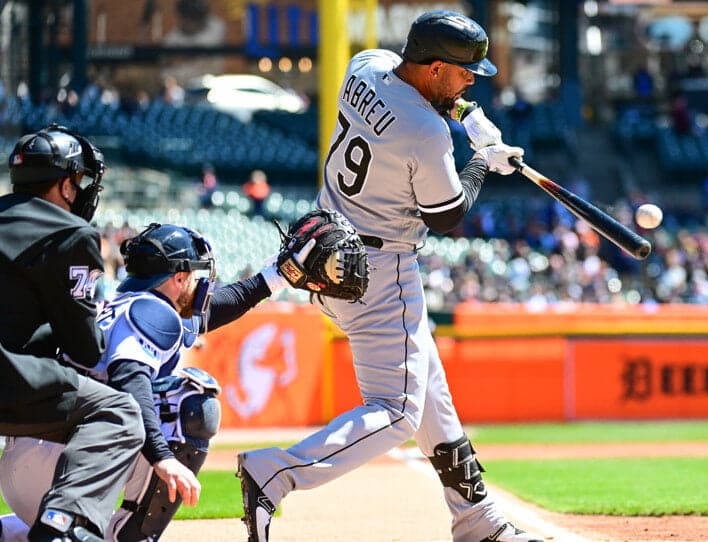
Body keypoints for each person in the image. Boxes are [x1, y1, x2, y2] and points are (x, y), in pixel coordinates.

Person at [236, 10, 539, 542]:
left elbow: (423, 93)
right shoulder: (425, 132)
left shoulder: (366, 65)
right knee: (397, 412)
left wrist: (466, 114)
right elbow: (447, 216)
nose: (471, 81)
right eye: (464, 72)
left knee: (432, 399)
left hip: (327, 252)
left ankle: (478, 520)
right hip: (381, 271)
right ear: (435, 67)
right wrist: (484, 159)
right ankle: (276, 473)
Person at [0, 222, 306, 541]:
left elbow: (217, 308)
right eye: (195, 274)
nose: (201, 285)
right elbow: (129, 380)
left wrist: (277, 275)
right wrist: (163, 457)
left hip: (37, 457)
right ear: (179, 277)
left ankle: (11, 532)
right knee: (192, 403)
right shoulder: (153, 312)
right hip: (64, 462)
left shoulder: (127, 305)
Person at [0, 125, 144, 542]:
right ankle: (64, 523)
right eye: (78, 181)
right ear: (65, 184)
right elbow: (84, 346)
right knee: (118, 413)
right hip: (12, 379)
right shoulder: (70, 234)